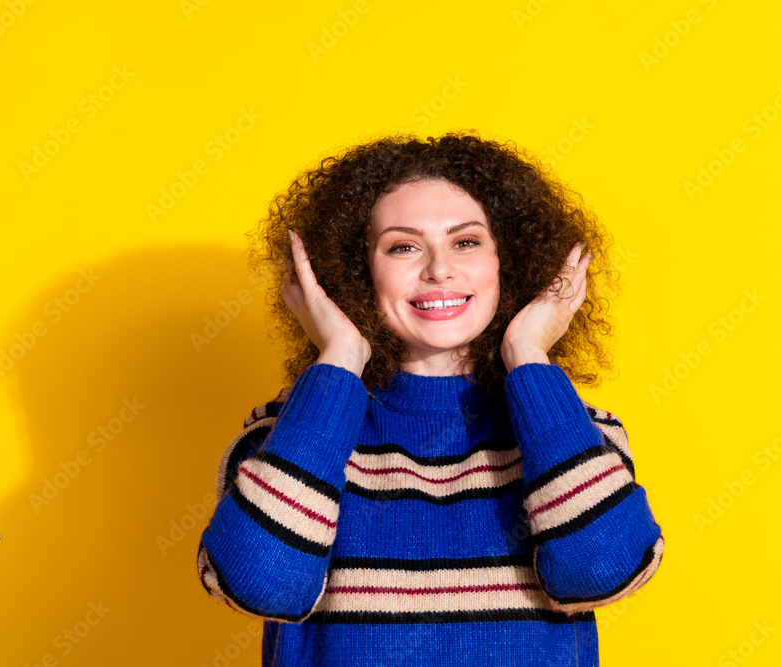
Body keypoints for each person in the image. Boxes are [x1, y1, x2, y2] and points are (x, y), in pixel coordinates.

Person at [196, 132, 665, 666]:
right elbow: (261, 585)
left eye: (466, 242)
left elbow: (599, 571)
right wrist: (341, 359)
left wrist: (530, 355)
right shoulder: (287, 435)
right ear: (354, 270)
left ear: (507, 262)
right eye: (403, 246)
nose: (439, 269)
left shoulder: (577, 435)